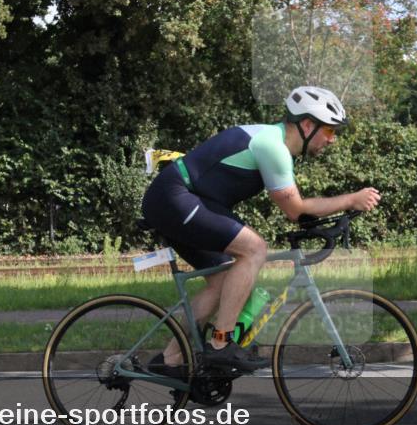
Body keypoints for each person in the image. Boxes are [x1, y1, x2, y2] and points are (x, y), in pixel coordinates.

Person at [140, 86, 381, 374]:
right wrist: (351, 200)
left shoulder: (273, 142)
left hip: (181, 199)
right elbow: (295, 209)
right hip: (175, 196)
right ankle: (221, 344)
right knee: (254, 249)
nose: (332, 140)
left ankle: (170, 359)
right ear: (307, 125)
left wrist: (323, 222)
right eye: (329, 131)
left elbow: (297, 210)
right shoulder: (273, 147)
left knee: (222, 282)